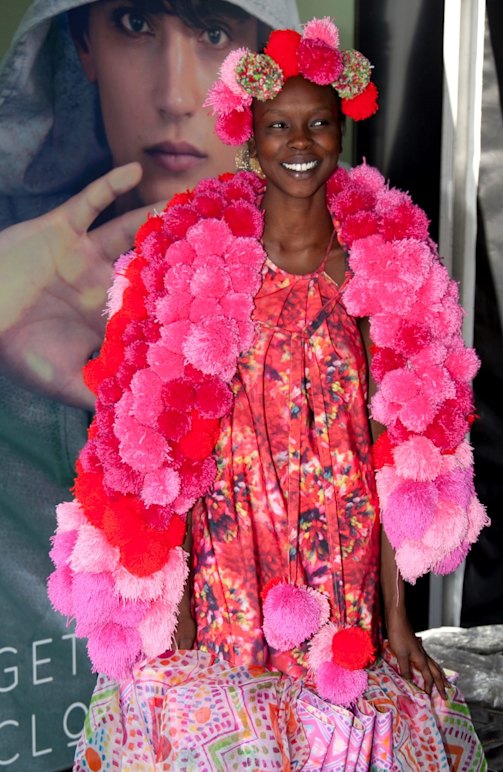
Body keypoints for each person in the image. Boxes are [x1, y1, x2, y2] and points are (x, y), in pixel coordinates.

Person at [48, 17, 488, 769]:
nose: (300, 142)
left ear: (341, 134)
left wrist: (398, 623)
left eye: (318, 123)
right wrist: (178, 622)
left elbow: (398, 458)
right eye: (278, 125)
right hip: (230, 551)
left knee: (335, 722)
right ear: (248, 139)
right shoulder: (196, 260)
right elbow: (165, 459)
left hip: (339, 548)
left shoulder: (379, 264)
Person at [0, 0, 299, 764]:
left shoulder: (359, 282)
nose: (175, 94)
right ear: (82, 44)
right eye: (136, 24)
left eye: (214, 32)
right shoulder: (18, 270)